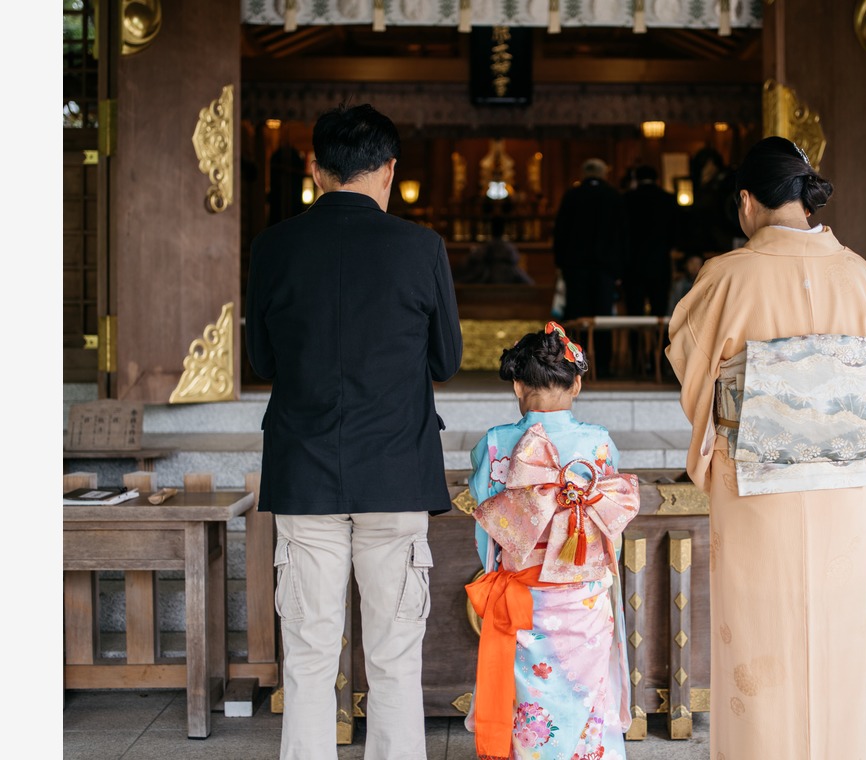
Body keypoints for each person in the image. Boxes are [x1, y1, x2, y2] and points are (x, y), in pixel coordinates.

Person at [244, 103, 463, 760]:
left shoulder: (274, 246)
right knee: (395, 656)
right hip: (395, 471)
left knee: (309, 655)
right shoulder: (421, 248)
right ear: (389, 169)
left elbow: (262, 361)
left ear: (316, 169)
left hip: (305, 469)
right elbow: (446, 360)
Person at [665, 136, 866, 760]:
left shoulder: (728, 275)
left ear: (747, 201)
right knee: (836, 631)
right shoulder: (856, 271)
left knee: (759, 631)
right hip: (841, 481)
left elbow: (691, 364)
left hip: (756, 482)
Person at [463, 322, 639, 760]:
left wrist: (500, 567)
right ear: (576, 384)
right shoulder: (599, 442)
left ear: (517, 386)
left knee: (529, 698)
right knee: (588, 692)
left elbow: (488, 523)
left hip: (526, 591)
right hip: (584, 592)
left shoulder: (496, 443)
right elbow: (611, 523)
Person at [552, 157, 629, 376]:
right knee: (602, 318)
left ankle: (574, 365)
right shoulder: (614, 196)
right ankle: (602, 366)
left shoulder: (572, 196)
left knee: (577, 316)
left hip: (576, 268)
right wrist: (619, 269)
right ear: (604, 173)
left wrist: (560, 264)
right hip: (605, 269)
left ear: (583, 173)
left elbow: (560, 232)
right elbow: (623, 235)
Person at [622, 164, 681, 318]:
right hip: (660, 262)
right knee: (659, 311)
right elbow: (676, 232)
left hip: (633, 264)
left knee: (634, 313)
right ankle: (659, 335)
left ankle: (634, 335)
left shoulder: (627, 199)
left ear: (636, 179)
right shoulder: (668, 199)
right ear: (657, 179)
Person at [455, 216, 535, 285]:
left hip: (502, 274)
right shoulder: (499, 246)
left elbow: (472, 258)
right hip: (494, 274)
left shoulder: (489, 246)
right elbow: (515, 258)